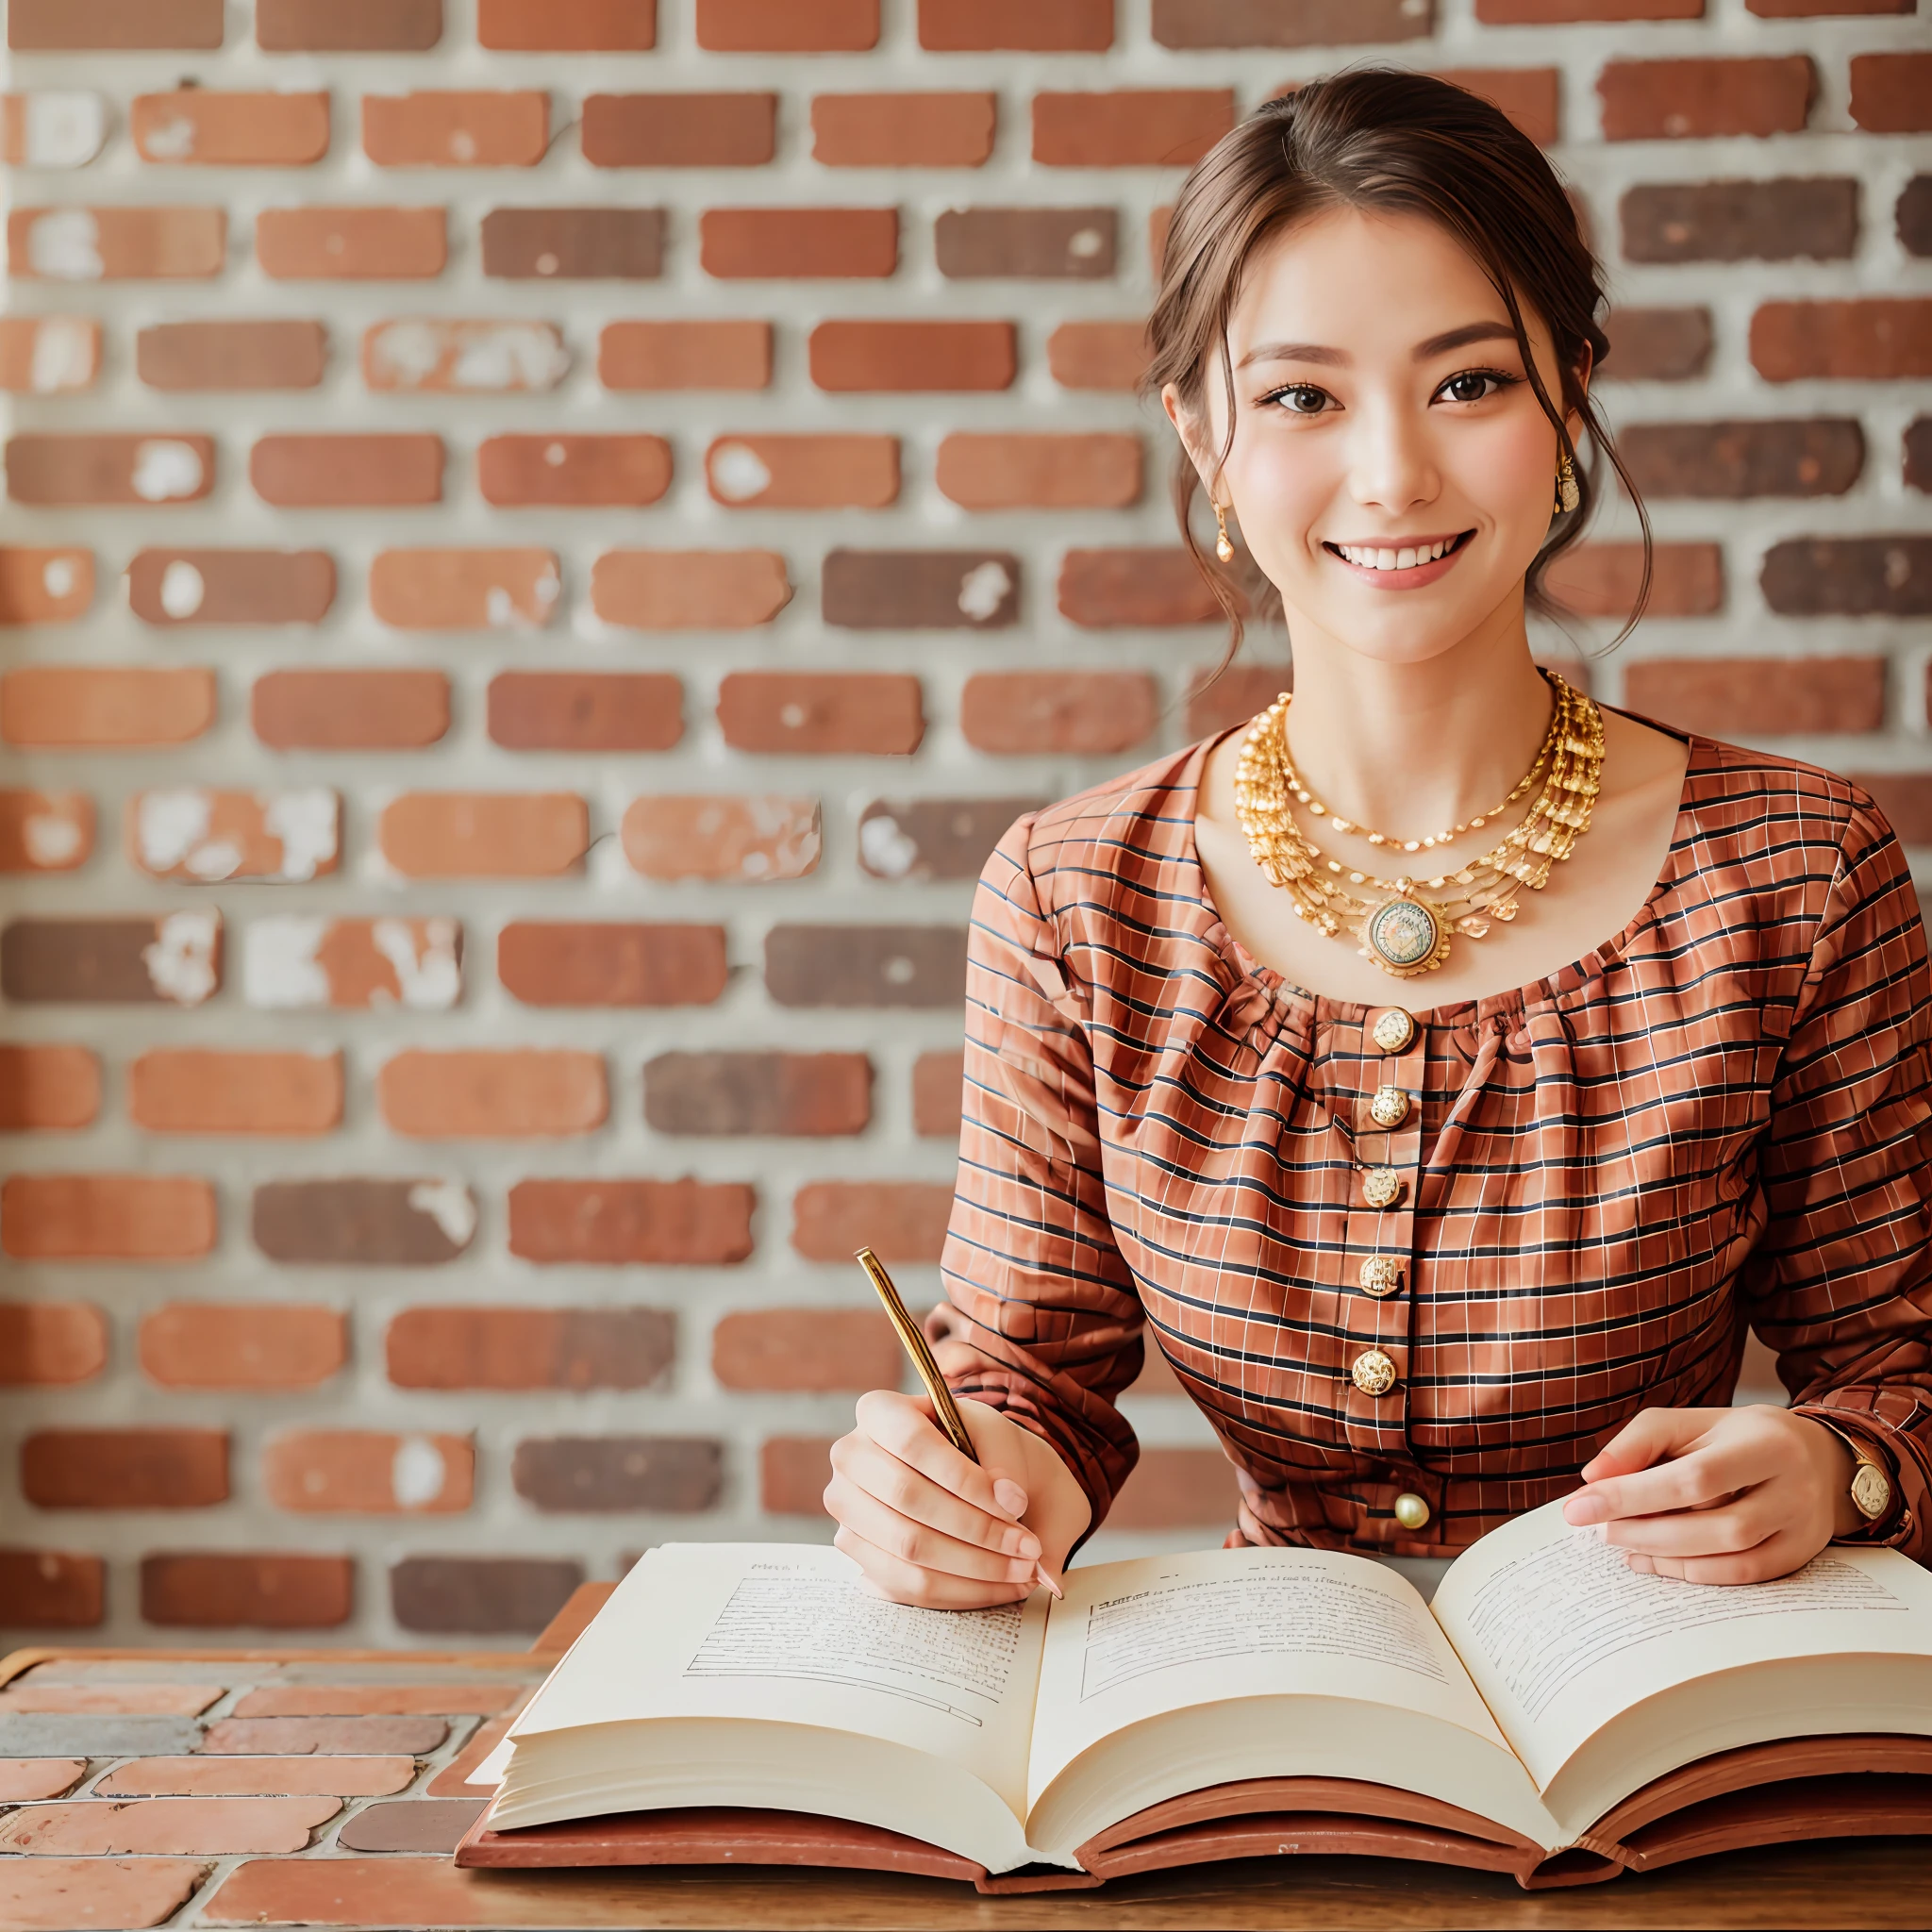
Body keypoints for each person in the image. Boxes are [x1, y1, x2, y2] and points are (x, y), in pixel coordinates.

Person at [824, 70, 1932, 1608]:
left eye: (1468, 383)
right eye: (1301, 396)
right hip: (1272, 1745)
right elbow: (1028, 1374)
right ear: (1205, 441)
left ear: (1571, 403)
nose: (1393, 474)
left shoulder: (1797, 872)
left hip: (1672, 1737)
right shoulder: (1078, 895)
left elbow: (1900, 1359)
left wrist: (1838, 1465)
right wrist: (969, 1486)